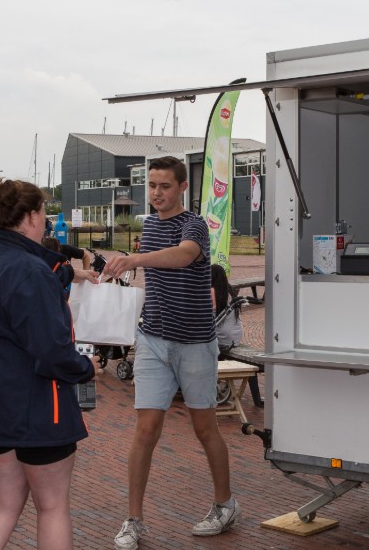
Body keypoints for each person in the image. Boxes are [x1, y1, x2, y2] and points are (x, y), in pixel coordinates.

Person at [103, 156, 238, 549]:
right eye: (152, 186)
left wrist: (136, 258)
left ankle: (225, 504)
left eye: (164, 186)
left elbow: (183, 255)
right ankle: (133, 519)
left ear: (181, 187)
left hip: (195, 343)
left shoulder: (193, 224)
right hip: (153, 341)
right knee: (145, 430)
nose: (156, 193)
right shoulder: (147, 226)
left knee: (204, 428)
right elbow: (153, 270)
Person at [0, 179, 99, 550]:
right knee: (52, 507)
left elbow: (24, 288)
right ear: (34, 215)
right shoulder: (30, 270)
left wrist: (71, 273)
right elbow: (51, 351)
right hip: (36, 405)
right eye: (45, 215)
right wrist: (86, 368)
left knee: (3, 505)